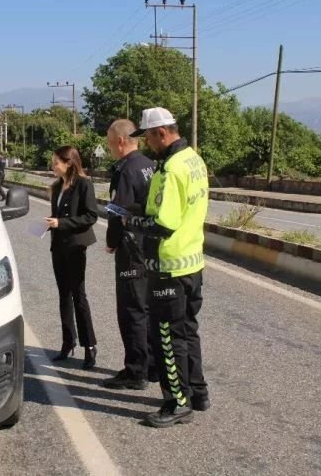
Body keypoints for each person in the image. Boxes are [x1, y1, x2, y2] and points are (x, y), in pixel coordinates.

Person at [124, 106, 210, 428]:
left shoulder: (172, 168)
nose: (146, 143)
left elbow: (163, 223)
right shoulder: (194, 159)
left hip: (169, 265)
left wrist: (129, 220)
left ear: (162, 133)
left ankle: (177, 402)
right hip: (192, 262)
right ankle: (198, 392)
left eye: (147, 136)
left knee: (166, 336)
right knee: (187, 329)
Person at [101, 119, 156, 390]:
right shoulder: (150, 165)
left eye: (110, 143)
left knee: (131, 311)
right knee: (147, 308)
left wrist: (111, 242)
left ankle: (136, 372)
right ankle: (151, 366)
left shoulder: (125, 171)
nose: (110, 149)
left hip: (131, 247)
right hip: (151, 245)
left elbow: (117, 211)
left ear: (120, 141)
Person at [46, 145, 99, 370]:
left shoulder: (84, 184)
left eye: (56, 161)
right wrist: (49, 223)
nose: (53, 165)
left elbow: (90, 216)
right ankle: (68, 341)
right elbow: (58, 216)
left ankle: (90, 346)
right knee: (63, 295)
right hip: (58, 246)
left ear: (68, 163)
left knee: (79, 295)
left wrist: (62, 223)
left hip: (76, 246)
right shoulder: (57, 187)